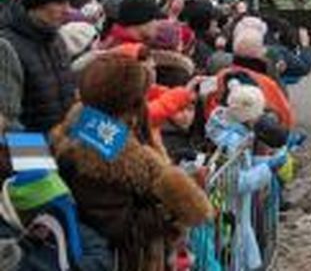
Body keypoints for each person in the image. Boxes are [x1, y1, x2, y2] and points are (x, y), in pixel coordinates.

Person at [50, 53, 213, 271]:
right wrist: (168, 213)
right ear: (130, 101)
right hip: (129, 260)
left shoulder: (75, 128)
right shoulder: (122, 157)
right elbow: (116, 223)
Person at [0, 0, 76, 132]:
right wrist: (37, 156)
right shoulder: (6, 46)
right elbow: (7, 120)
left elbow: (67, 93)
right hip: (29, 151)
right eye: (59, 2)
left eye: (68, 2)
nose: (68, 10)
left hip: (60, 146)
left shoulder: (57, 39)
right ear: (37, 3)